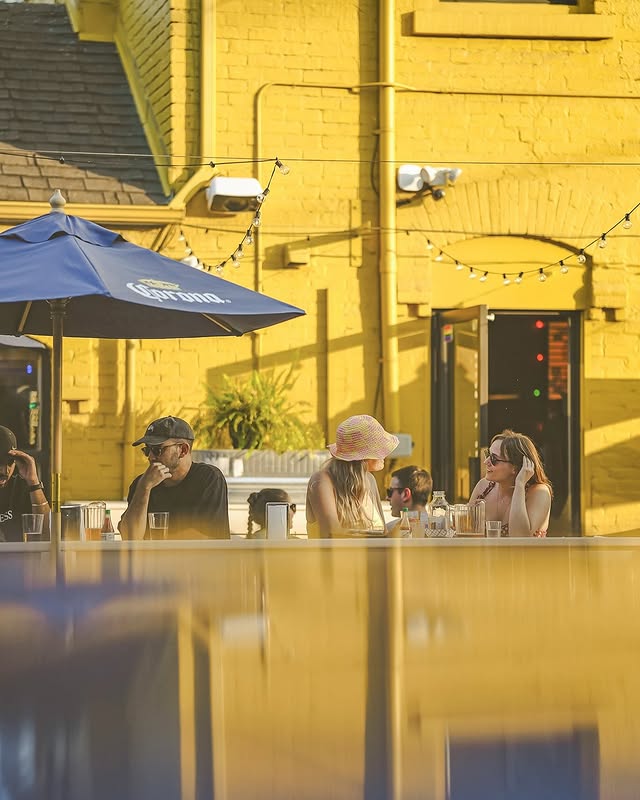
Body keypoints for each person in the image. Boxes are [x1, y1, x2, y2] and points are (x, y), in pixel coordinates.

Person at [119, 416, 230, 540]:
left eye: (157, 449)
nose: (150, 456)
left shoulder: (209, 478)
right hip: (152, 560)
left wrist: (151, 542)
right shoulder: (142, 484)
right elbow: (129, 537)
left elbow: (205, 538)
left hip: (197, 559)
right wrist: (144, 489)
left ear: (183, 450)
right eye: (147, 450)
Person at [306, 414, 399, 538]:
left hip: (370, 557)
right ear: (363, 457)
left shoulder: (369, 479)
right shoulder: (322, 480)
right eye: (380, 449)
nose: (386, 455)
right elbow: (333, 533)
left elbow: (382, 532)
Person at [469, 429, 552, 537]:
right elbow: (464, 529)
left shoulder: (539, 492)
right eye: (488, 454)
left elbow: (519, 538)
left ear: (516, 467)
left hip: (523, 554)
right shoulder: (483, 487)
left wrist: (520, 485)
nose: (486, 462)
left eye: (494, 459)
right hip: (483, 554)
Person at [0, 425, 50, 542]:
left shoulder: (23, 488)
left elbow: (45, 536)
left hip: (18, 559)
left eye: (10, 462)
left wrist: (33, 482)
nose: (4, 471)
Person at [385, 465, 433, 535]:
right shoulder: (445, 529)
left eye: (390, 492)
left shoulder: (390, 530)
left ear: (405, 494)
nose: (387, 497)